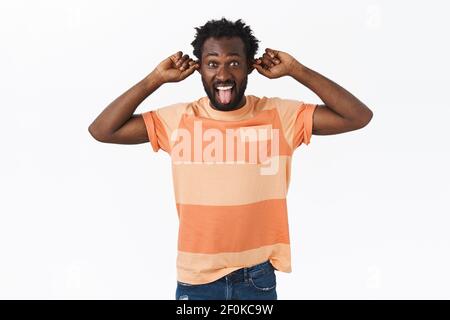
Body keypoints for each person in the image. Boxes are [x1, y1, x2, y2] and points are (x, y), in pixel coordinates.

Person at [88, 18, 373, 300]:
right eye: (212, 63)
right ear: (199, 68)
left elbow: (358, 116)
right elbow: (102, 130)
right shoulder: (178, 119)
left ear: (250, 65)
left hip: (256, 278)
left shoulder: (279, 116)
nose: (223, 75)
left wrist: (297, 70)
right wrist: (155, 79)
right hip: (196, 281)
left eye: (234, 63)